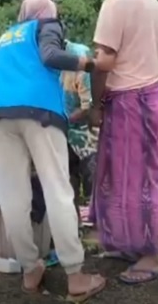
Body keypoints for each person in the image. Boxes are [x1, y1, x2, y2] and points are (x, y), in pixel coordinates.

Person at [0, 0, 106, 300]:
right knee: (58, 190)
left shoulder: (3, 39)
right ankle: (76, 277)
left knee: (13, 197)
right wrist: (92, 64)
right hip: (40, 113)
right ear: (46, 13)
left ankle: (30, 269)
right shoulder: (45, 26)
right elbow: (51, 56)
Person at [88, 0, 158, 285]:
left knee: (129, 179)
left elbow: (104, 62)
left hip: (127, 102)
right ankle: (132, 244)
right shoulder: (154, 4)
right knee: (139, 176)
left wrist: (94, 105)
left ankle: (150, 256)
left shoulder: (116, 4)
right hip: (152, 96)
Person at [61, 40, 99, 216]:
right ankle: (73, 219)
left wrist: (63, 120)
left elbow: (86, 107)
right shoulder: (39, 57)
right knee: (68, 176)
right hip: (59, 125)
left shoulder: (79, 59)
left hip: (82, 126)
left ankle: (96, 215)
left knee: (91, 170)